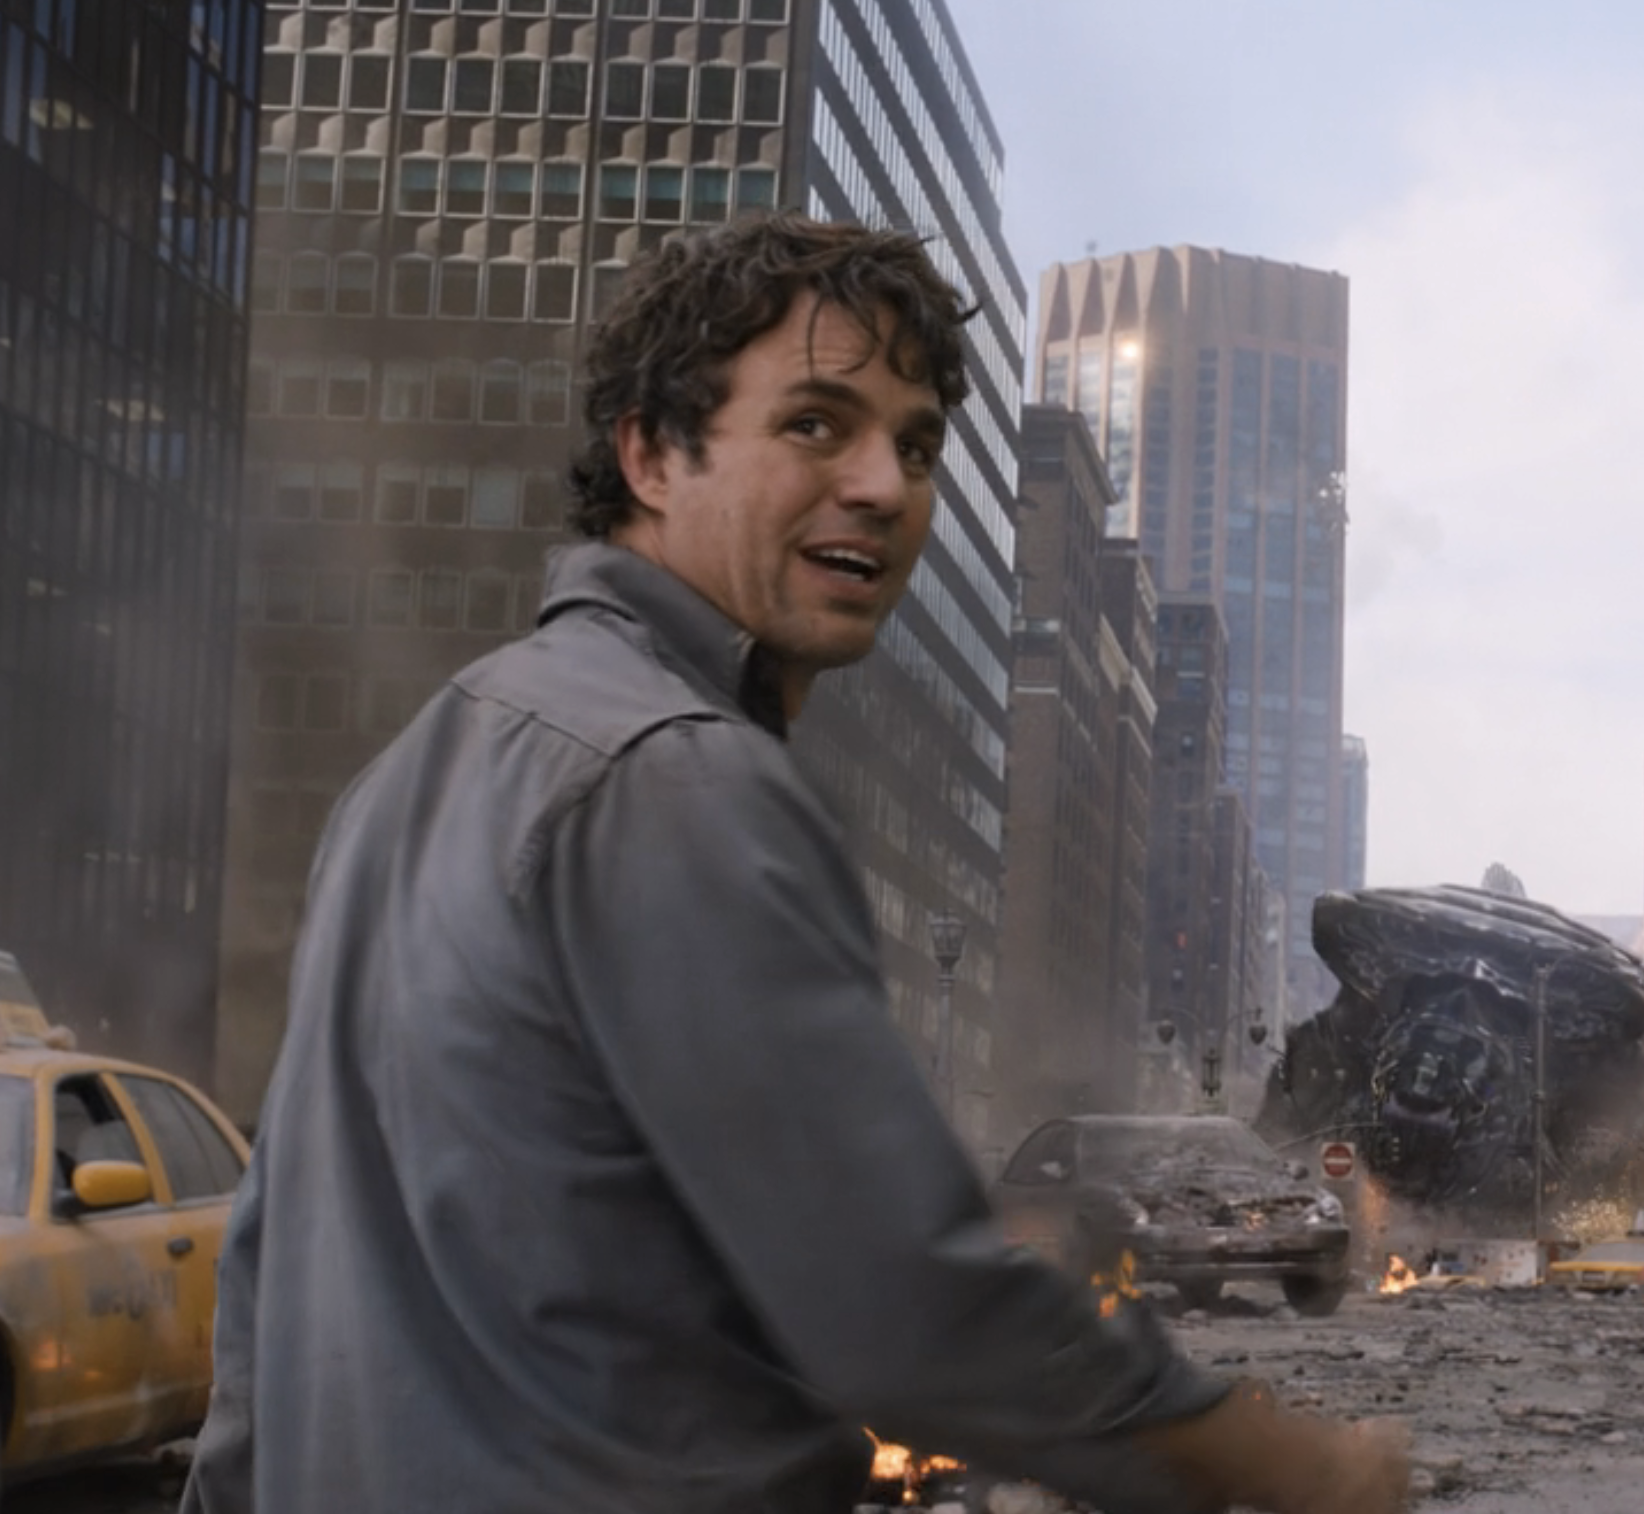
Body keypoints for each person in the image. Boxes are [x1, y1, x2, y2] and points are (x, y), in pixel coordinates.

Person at [183, 213, 1408, 1514]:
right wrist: (1290, 1462)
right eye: (817, 424)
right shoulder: (674, 776)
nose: (884, 483)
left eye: (918, 443)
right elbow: (909, 1304)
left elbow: (264, 1305)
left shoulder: (408, 777)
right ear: (652, 453)